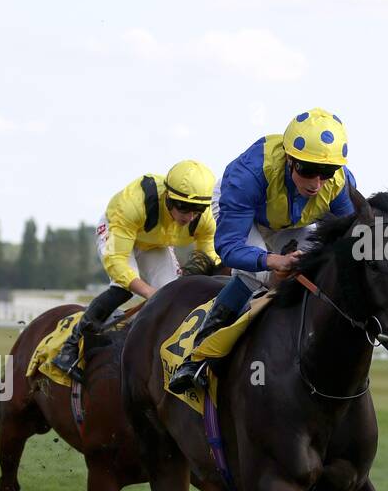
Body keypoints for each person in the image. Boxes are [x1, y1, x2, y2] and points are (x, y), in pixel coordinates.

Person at [168, 108, 355, 392]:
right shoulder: (247, 175)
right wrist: (272, 259)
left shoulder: (341, 186)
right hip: (245, 212)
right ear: (290, 159)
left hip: (293, 220)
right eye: (307, 171)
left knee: (314, 270)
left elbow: (350, 240)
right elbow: (229, 249)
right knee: (255, 275)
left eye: (326, 173)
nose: (316, 184)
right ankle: (198, 355)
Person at [52, 160, 219, 381]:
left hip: (154, 242)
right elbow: (118, 264)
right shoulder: (133, 205)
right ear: (167, 196)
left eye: (197, 210)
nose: (189, 216)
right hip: (117, 230)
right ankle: (70, 347)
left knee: (174, 292)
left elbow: (210, 256)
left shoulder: (203, 219)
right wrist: (150, 293)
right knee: (123, 288)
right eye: (183, 208)